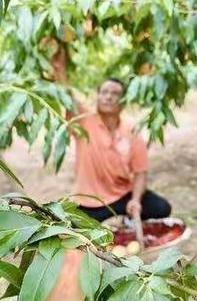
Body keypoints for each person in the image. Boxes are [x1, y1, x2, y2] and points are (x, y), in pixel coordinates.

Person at [51, 46, 172, 223]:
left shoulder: (132, 132)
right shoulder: (83, 120)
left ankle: (127, 219)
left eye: (115, 94)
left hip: (121, 196)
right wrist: (59, 68)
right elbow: (66, 95)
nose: (108, 97)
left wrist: (136, 200)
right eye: (104, 92)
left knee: (162, 208)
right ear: (97, 97)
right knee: (76, 237)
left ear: (123, 102)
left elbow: (140, 172)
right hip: (88, 202)